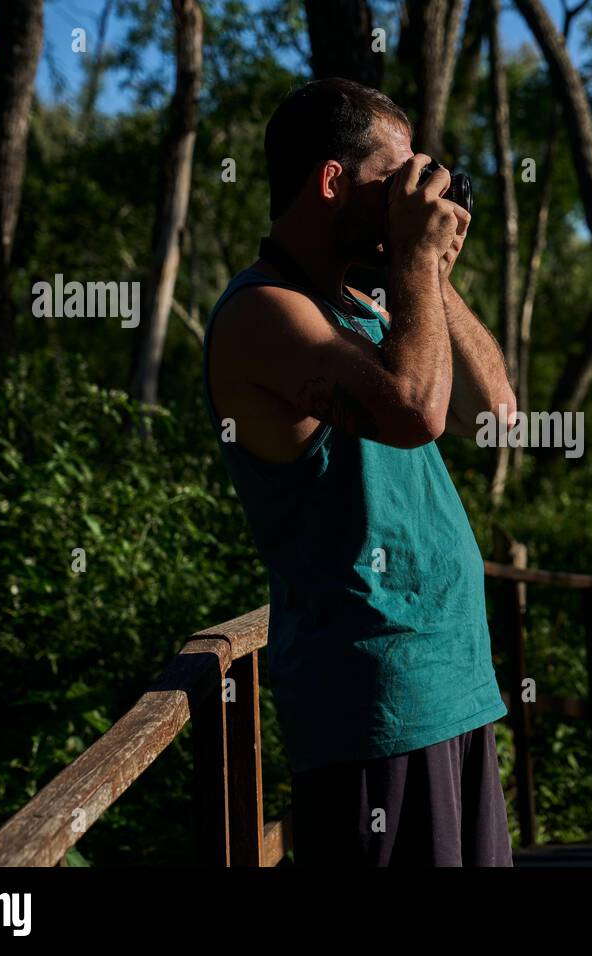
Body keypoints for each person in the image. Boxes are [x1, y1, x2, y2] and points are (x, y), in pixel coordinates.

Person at [201, 78, 515, 866]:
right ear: (333, 181)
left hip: (452, 686)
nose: (411, 194)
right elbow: (415, 412)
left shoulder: (371, 310)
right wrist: (411, 256)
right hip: (377, 701)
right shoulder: (263, 311)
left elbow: (494, 413)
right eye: (396, 176)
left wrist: (432, 274)